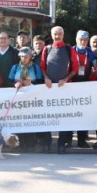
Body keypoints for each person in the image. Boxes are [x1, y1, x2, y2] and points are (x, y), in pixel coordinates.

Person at [40, 26, 79, 154]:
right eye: (55, 34)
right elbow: (42, 68)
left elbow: (75, 69)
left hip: (64, 88)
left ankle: (61, 144)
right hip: (49, 88)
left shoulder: (69, 49)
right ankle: (47, 143)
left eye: (59, 34)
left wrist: (66, 79)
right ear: (52, 35)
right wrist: (46, 78)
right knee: (47, 116)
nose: (57, 36)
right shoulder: (47, 49)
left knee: (63, 117)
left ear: (63, 34)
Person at [8, 46, 44, 151]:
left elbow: (40, 82)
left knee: (30, 119)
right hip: (18, 98)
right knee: (18, 120)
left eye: (26, 56)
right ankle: (19, 142)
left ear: (31, 56)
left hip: (32, 98)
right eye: (22, 56)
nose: (23, 58)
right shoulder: (15, 67)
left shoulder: (35, 68)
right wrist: (15, 84)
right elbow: (8, 81)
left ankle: (30, 142)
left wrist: (31, 83)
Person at [69, 30, 97, 148]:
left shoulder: (92, 54)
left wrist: (94, 73)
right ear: (76, 40)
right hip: (71, 84)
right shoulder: (70, 51)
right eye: (81, 39)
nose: (83, 42)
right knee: (70, 114)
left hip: (86, 85)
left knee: (83, 114)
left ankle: (81, 140)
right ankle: (68, 140)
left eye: (85, 40)